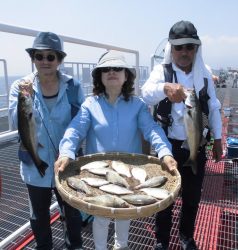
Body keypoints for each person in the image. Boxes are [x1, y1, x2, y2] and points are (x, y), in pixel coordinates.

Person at [54, 50, 178, 250]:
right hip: (98, 173)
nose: (112, 72)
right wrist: (66, 152)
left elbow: (152, 129)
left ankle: (122, 246)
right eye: (106, 69)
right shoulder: (90, 105)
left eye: (117, 68)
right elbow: (75, 130)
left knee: (124, 214)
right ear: (99, 77)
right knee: (101, 217)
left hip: (129, 174)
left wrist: (165, 152)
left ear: (126, 75)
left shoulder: (137, 105)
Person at [141, 20, 223, 250]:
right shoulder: (162, 71)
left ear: (196, 48)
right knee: (164, 196)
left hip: (197, 144)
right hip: (168, 146)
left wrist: (217, 139)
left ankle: (187, 236)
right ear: (171, 49)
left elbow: (214, 107)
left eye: (189, 46)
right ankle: (161, 240)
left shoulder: (205, 74)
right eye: (179, 47)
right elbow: (145, 94)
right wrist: (164, 88)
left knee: (192, 196)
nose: (184, 52)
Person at [9, 32, 84, 250]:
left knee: (72, 212)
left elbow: (81, 123)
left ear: (59, 60)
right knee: (38, 215)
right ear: (33, 58)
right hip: (35, 165)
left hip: (67, 164)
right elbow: (16, 123)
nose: (44, 61)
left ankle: (75, 246)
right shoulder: (20, 87)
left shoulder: (73, 87)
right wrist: (26, 98)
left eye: (50, 57)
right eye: (39, 56)